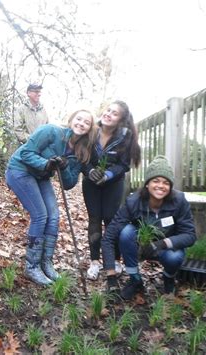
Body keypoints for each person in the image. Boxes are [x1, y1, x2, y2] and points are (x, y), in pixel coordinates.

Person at [5, 110, 96, 285]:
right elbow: (26, 153)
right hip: (19, 170)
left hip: (41, 176)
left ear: (90, 129)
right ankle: (32, 267)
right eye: (78, 118)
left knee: (53, 217)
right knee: (40, 216)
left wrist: (64, 166)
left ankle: (46, 263)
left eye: (86, 122)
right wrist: (46, 164)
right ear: (71, 119)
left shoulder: (81, 152)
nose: (81, 123)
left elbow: (68, 184)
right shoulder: (51, 131)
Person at [101, 155, 196, 299]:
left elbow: (190, 235)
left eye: (166, 182)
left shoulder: (179, 201)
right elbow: (109, 237)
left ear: (170, 187)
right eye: (155, 181)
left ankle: (169, 278)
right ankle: (135, 280)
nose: (160, 186)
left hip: (165, 248)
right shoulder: (133, 202)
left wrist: (162, 244)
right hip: (139, 247)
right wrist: (111, 277)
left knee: (176, 257)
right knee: (126, 232)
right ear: (147, 183)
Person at [82, 100, 141, 280]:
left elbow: (124, 165)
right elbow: (81, 157)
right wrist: (90, 171)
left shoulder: (125, 136)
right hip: (91, 182)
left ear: (121, 120)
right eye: (108, 110)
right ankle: (94, 262)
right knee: (94, 219)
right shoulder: (91, 131)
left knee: (110, 219)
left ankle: (114, 259)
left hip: (113, 184)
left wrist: (108, 174)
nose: (108, 114)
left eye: (114, 113)